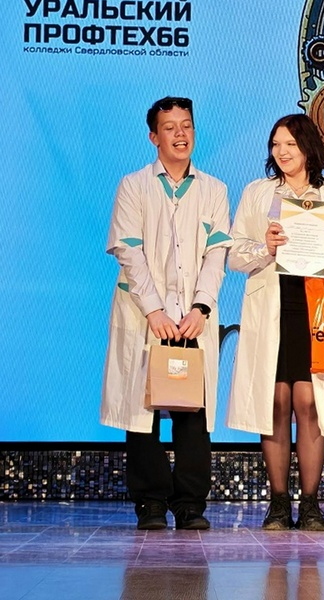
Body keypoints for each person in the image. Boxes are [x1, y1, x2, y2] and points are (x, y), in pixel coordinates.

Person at [226, 114, 324, 531]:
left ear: (308, 147)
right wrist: (264, 248)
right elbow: (234, 254)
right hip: (273, 304)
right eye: (275, 144)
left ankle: (311, 503)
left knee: (310, 402)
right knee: (275, 403)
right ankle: (278, 502)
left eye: (290, 144)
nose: (282, 152)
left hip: (315, 307)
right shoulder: (258, 193)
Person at [101, 96, 231, 530]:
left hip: (192, 316)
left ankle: (190, 504)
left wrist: (201, 306)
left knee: (193, 413)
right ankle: (151, 503)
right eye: (170, 127)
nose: (180, 134)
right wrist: (153, 310)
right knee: (142, 415)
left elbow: (216, 254)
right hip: (146, 315)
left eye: (187, 126)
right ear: (154, 137)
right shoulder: (133, 186)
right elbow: (128, 250)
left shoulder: (214, 189)